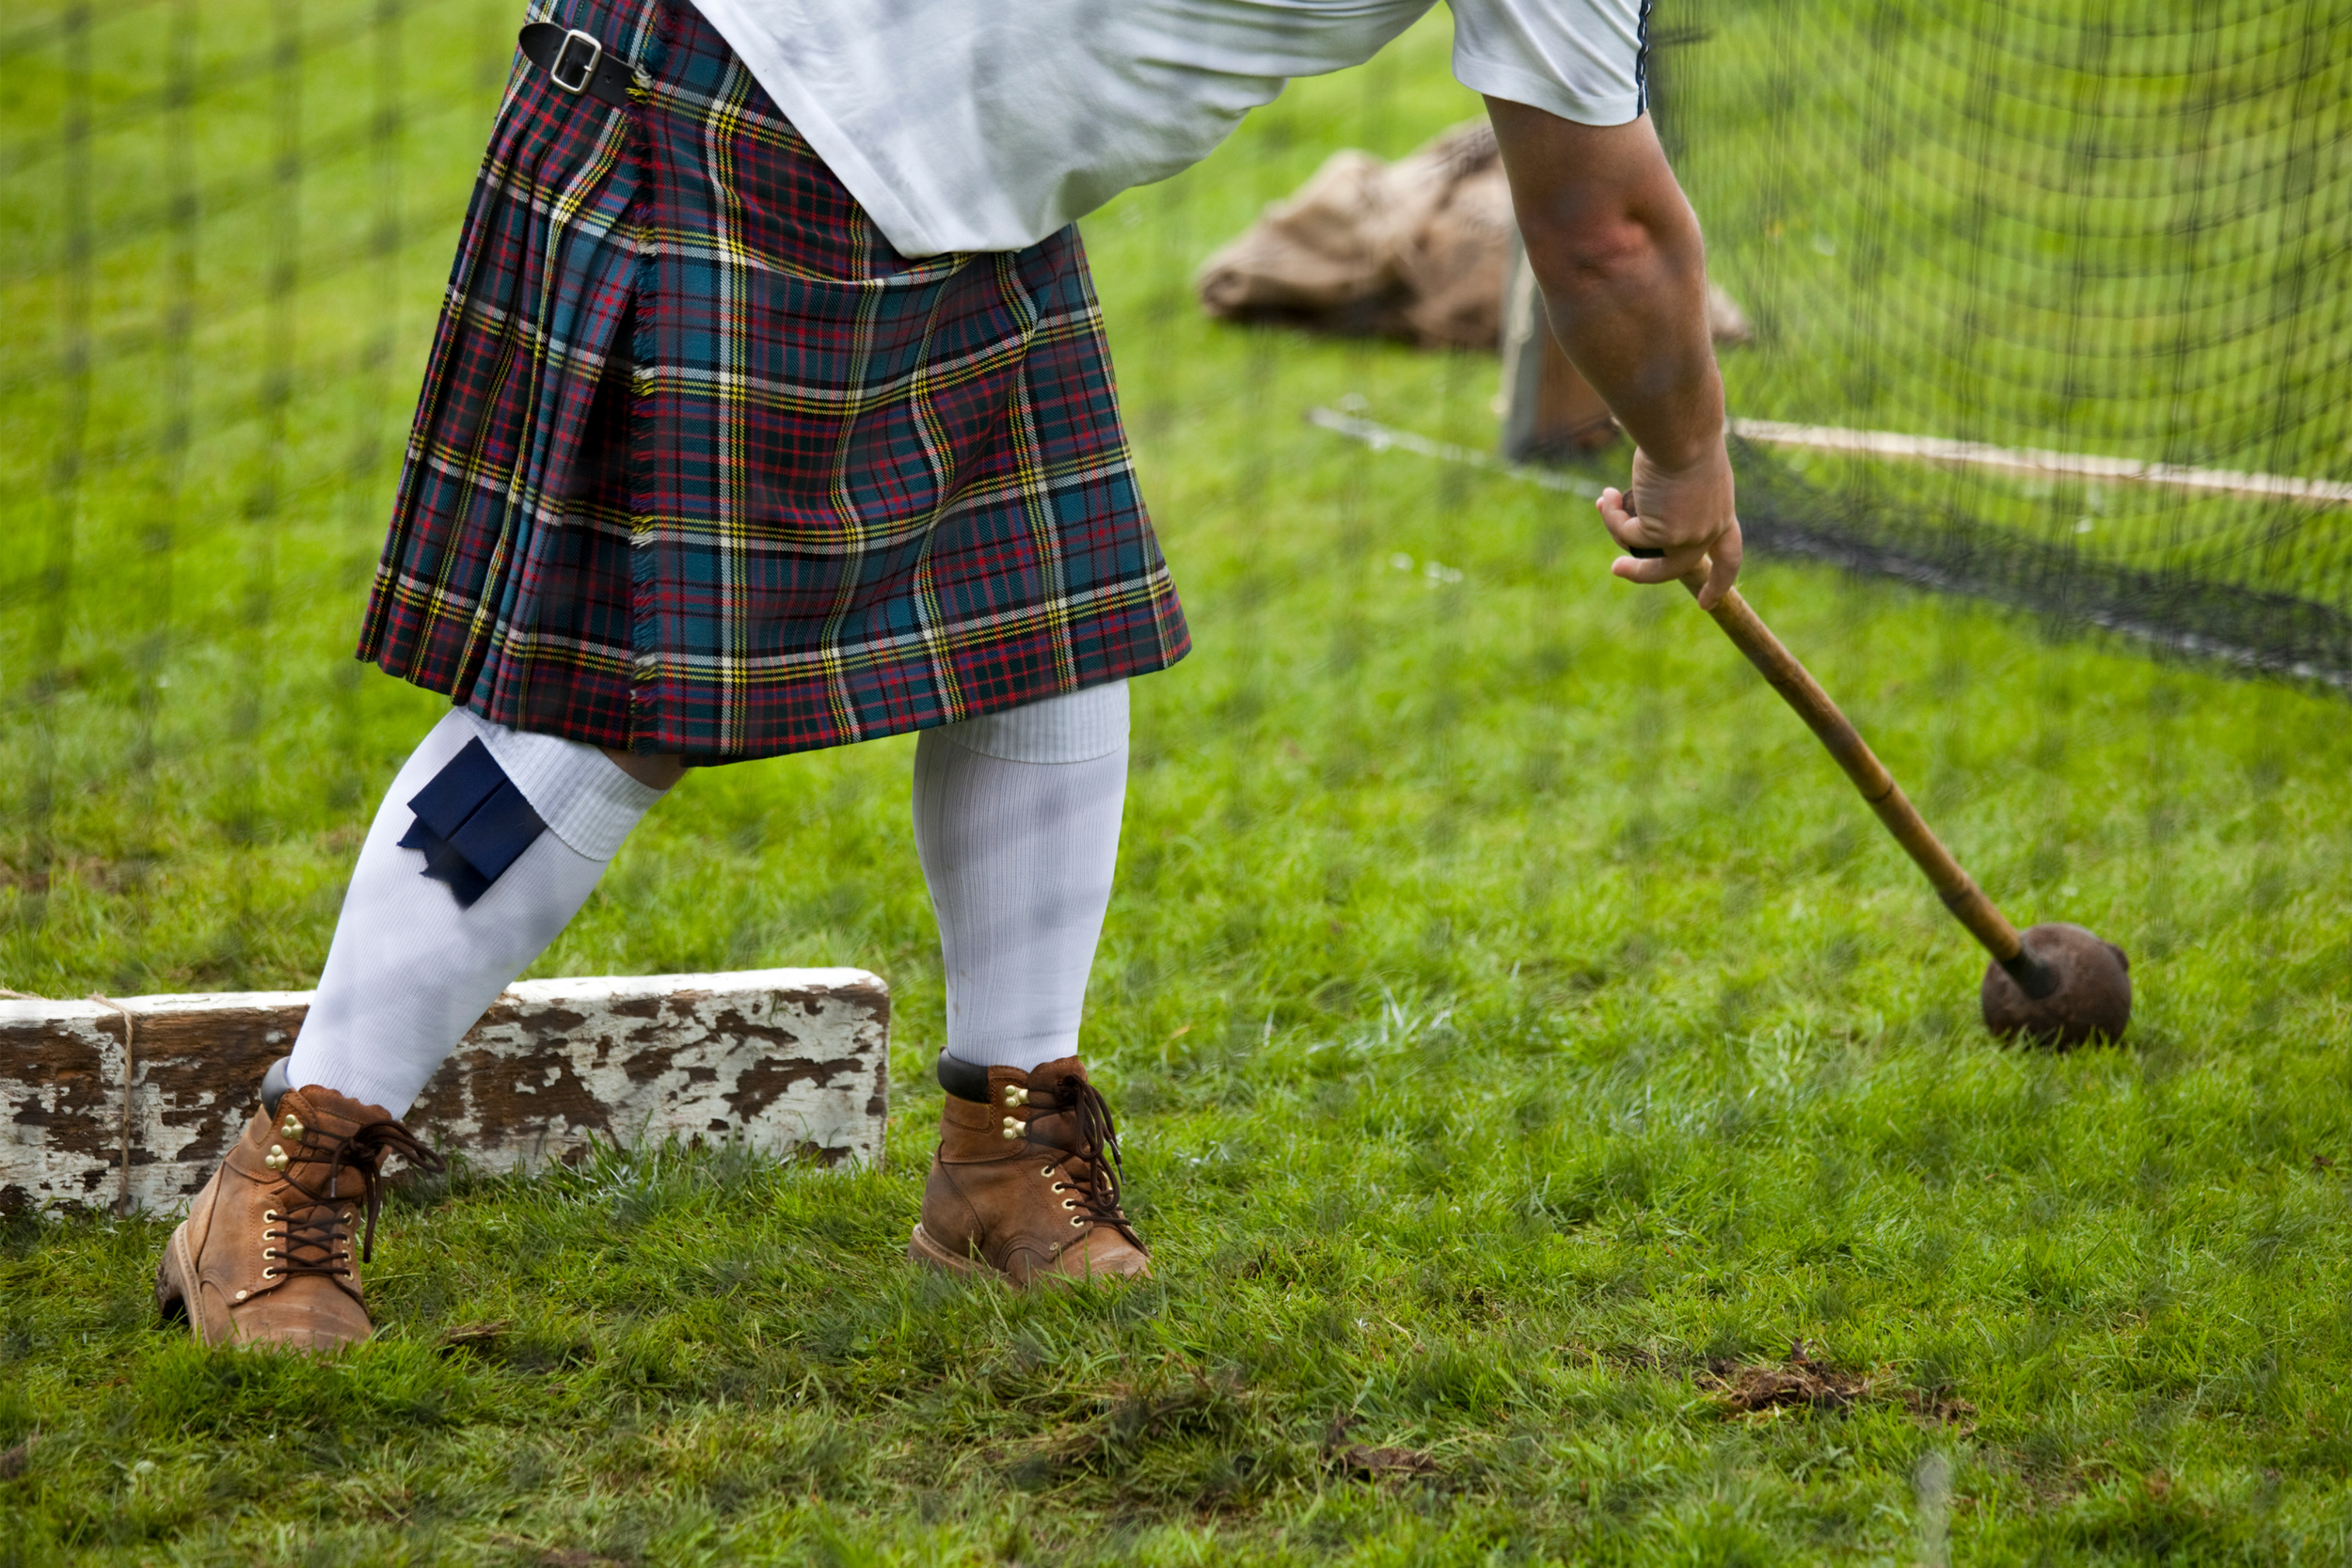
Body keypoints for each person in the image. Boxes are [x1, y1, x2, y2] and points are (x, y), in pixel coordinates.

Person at [154, 0, 1741, 1352]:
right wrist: (1691, 460)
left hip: (939, 178)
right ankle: (290, 1165)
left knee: (1045, 631)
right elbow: (1603, 226)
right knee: (607, 703)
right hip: (747, 92)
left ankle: (1002, 1153)